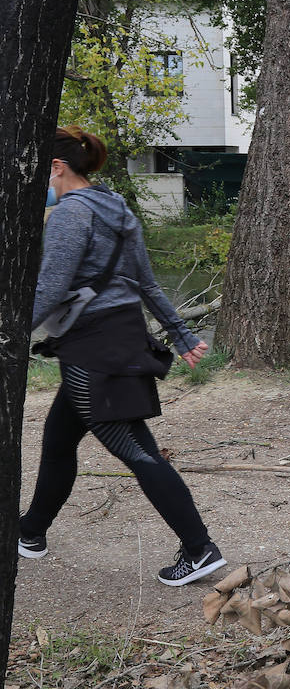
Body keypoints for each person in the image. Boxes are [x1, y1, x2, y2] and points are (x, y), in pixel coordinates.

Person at [21, 126, 227, 587]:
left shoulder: (71, 214)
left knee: (137, 451)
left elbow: (51, 287)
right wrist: (180, 334)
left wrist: (8, 331)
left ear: (56, 167)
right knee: (57, 442)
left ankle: (200, 549)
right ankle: (30, 533)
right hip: (117, 337)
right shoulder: (116, 207)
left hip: (94, 350)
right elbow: (146, 283)